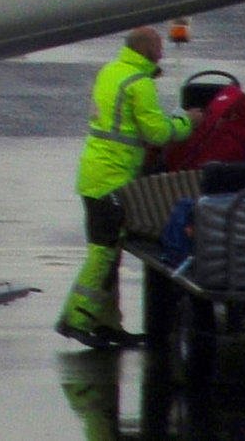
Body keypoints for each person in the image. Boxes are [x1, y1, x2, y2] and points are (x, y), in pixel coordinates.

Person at [59, 26, 185, 349]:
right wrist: (189, 123)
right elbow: (156, 133)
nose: (162, 52)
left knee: (110, 252)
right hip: (113, 178)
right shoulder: (139, 83)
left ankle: (107, 324)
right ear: (146, 50)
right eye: (158, 47)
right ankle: (76, 319)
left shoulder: (113, 71)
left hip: (94, 173)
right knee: (102, 253)